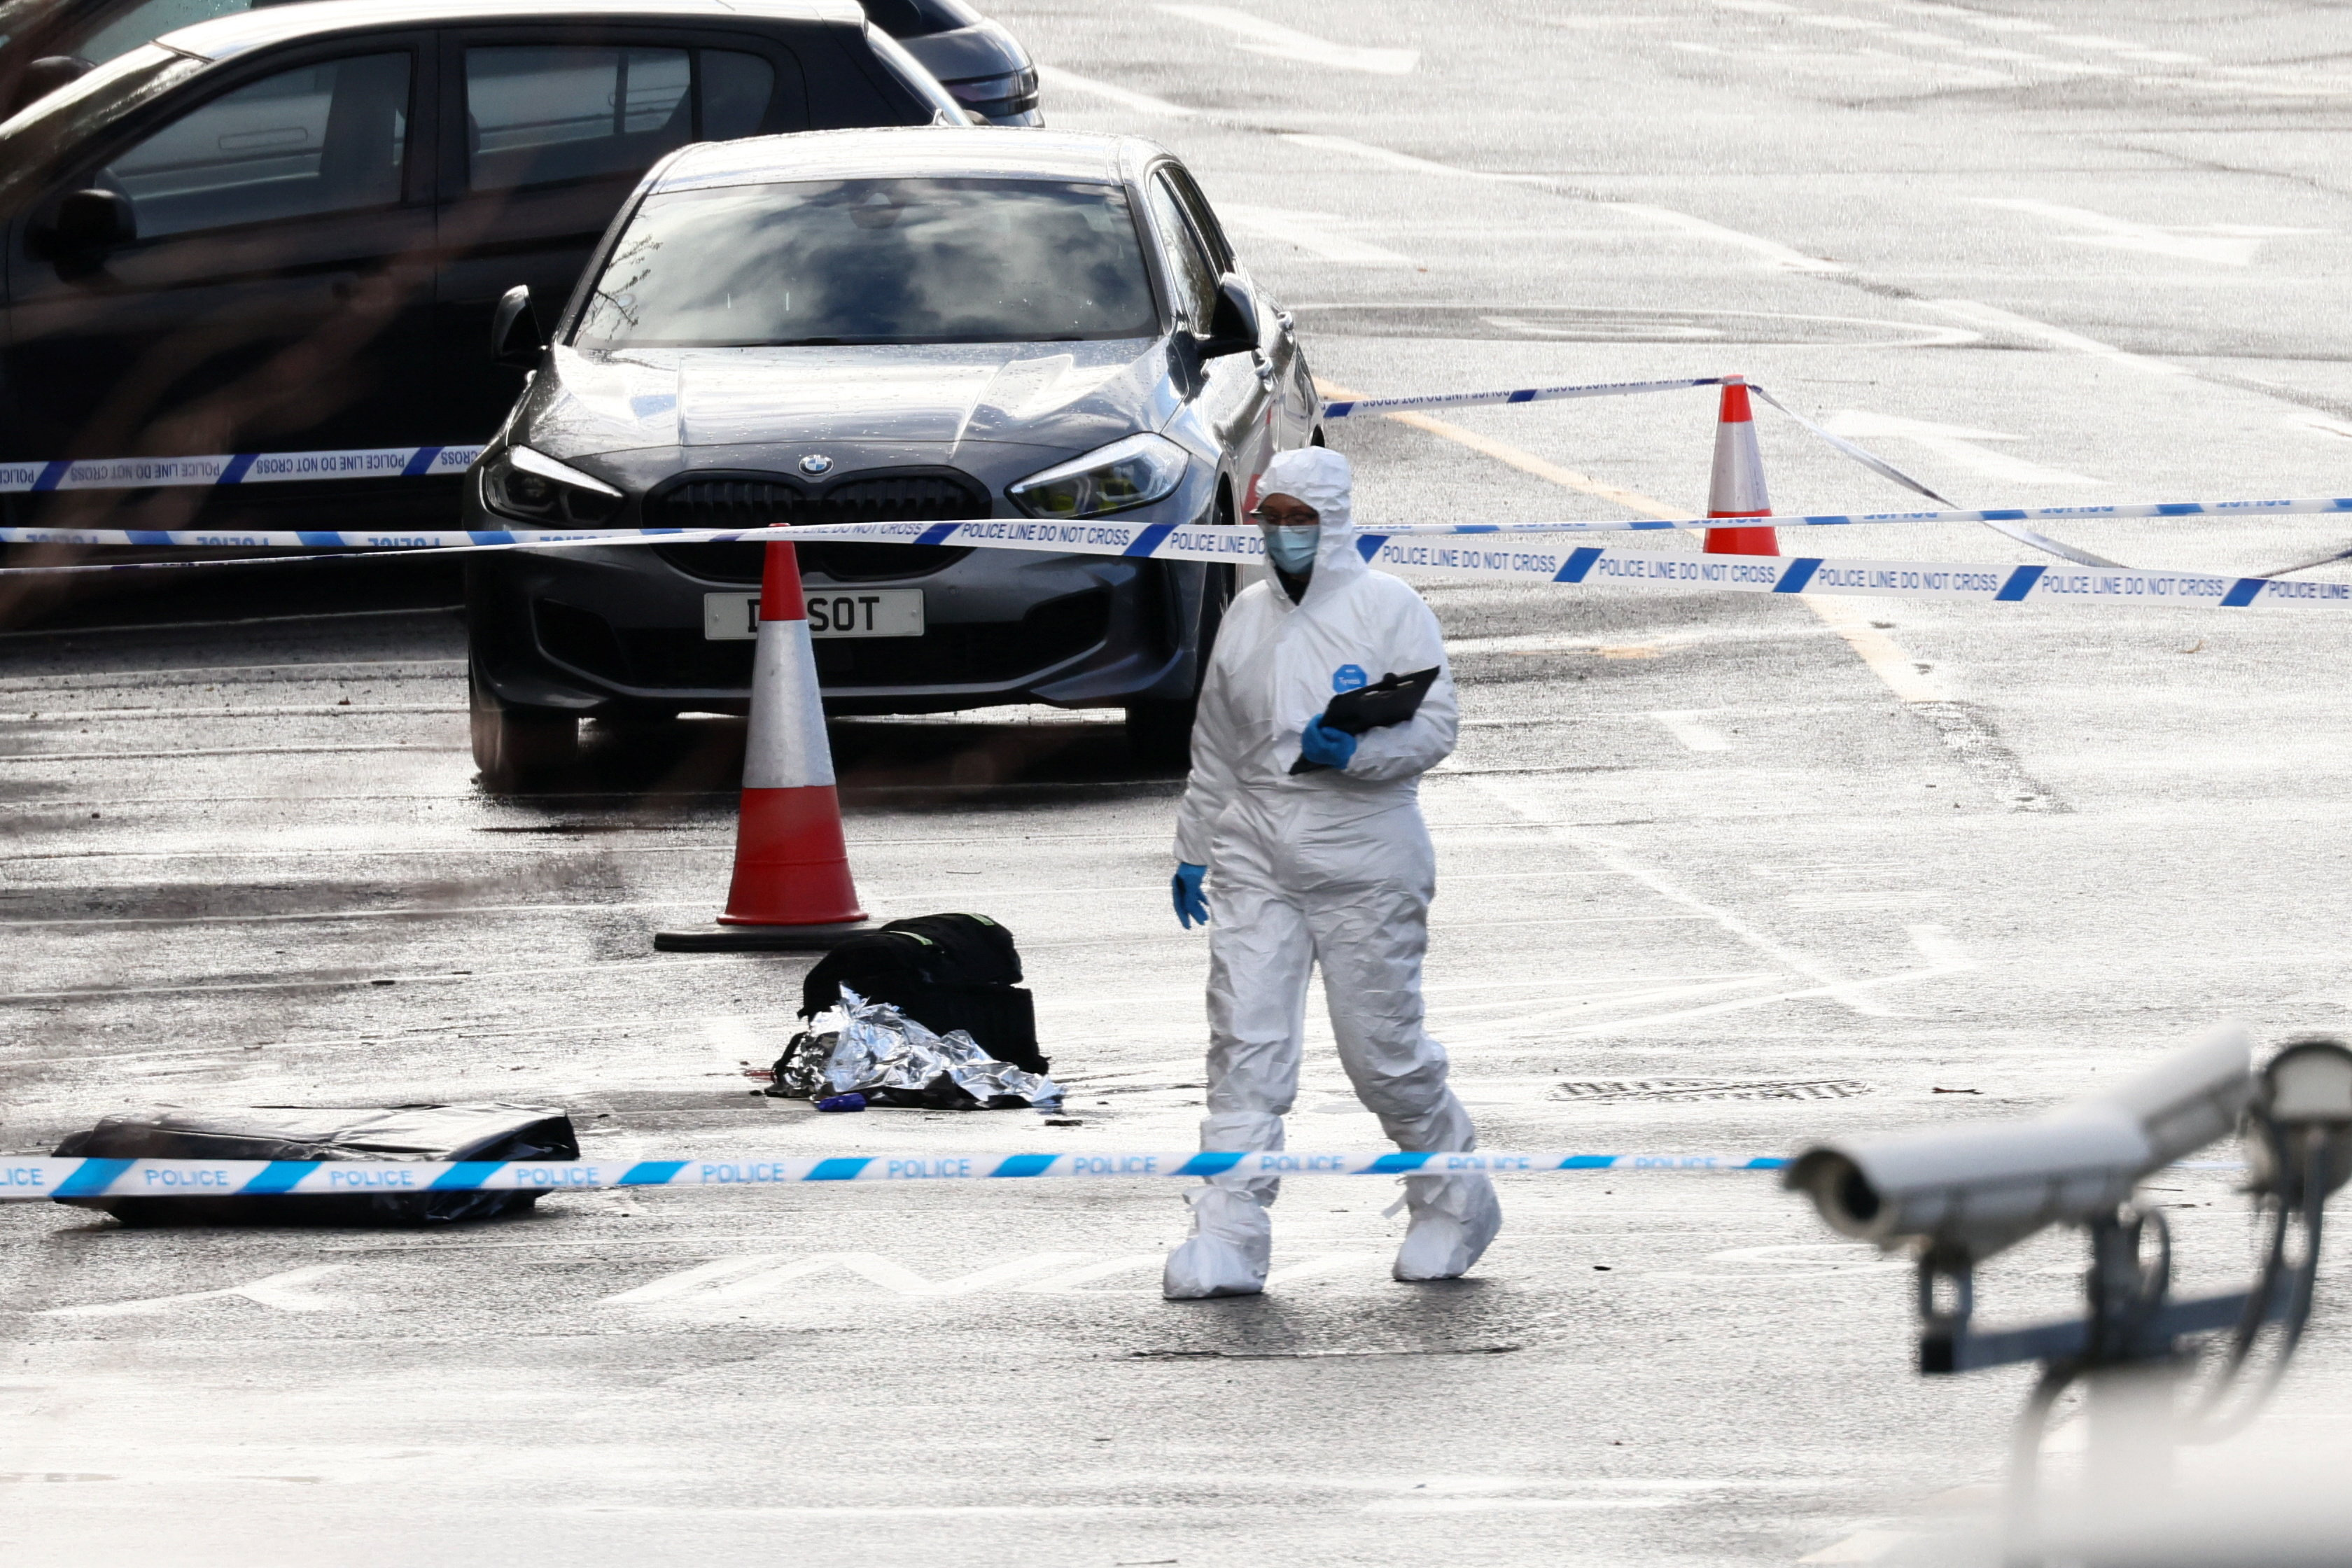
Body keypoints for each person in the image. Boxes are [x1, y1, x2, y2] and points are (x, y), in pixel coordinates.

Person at [1161, 445, 1500, 1300]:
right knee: (1245, 1049)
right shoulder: (1244, 617)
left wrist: (1357, 750)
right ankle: (1228, 1232)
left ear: (1335, 520)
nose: (1282, 536)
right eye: (1270, 519)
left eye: (1299, 520)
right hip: (1257, 856)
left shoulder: (1391, 609)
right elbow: (1216, 747)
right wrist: (1195, 847)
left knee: (1381, 1056)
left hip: (1367, 858)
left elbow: (1436, 730)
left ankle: (1454, 1197)